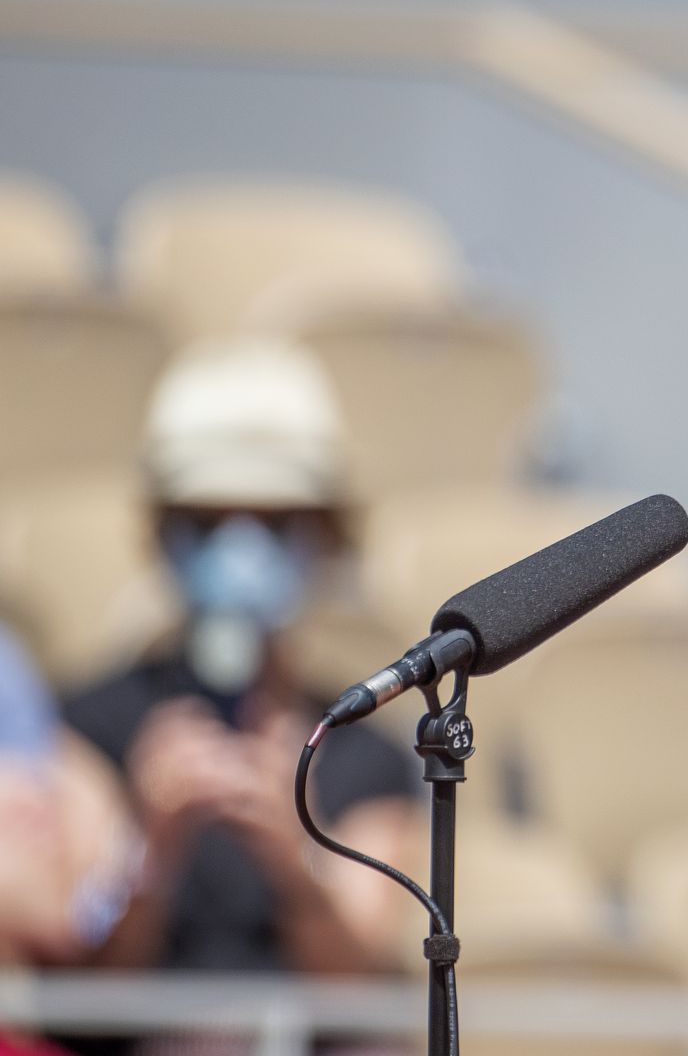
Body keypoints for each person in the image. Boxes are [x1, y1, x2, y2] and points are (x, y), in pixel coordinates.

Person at [58, 344, 420, 1053]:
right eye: (211, 521)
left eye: (276, 522)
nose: (242, 549)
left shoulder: (367, 750)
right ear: (162, 531)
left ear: (326, 537)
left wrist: (297, 856)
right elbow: (84, 1000)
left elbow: (354, 997)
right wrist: (149, 851)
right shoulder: (90, 725)